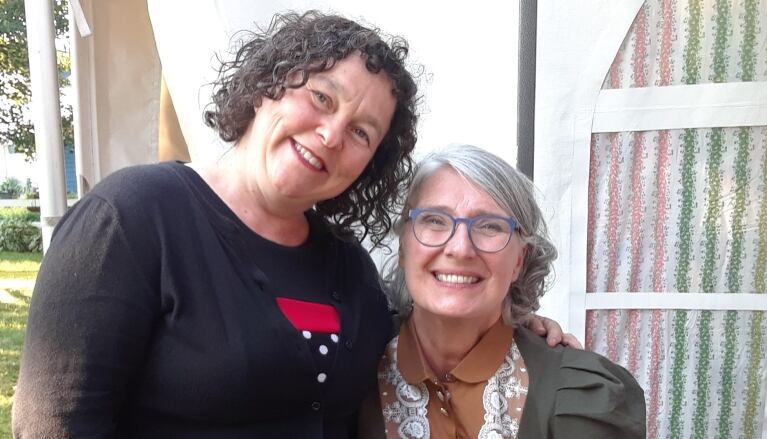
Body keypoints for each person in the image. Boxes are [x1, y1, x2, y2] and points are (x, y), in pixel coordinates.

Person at [12, 11, 569, 439]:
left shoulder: (346, 266)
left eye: (361, 134)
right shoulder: (134, 218)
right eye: (321, 97)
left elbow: (409, 333)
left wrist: (512, 324)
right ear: (266, 87)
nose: (330, 134)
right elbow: (56, 422)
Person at [359, 145, 646, 438]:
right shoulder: (348, 367)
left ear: (519, 260)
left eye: (489, 226)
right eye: (434, 220)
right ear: (404, 246)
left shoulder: (582, 395)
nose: (460, 249)